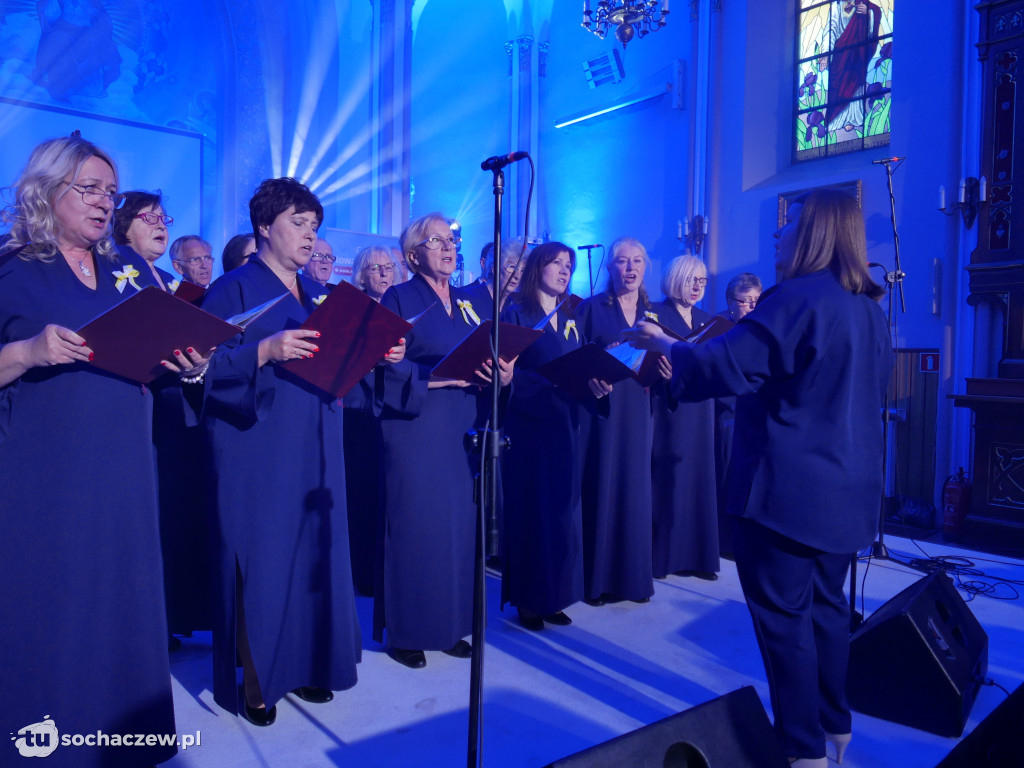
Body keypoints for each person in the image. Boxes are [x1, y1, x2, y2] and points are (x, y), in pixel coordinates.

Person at [624, 189, 891, 767]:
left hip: (786, 494)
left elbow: (723, 365)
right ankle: (834, 728)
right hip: (848, 493)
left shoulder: (795, 299)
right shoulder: (869, 307)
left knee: (785, 625)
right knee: (828, 613)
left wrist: (661, 342)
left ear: (815, 233)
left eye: (789, 223)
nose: (778, 233)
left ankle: (801, 751)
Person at [0, 134, 203, 767]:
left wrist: (190, 367)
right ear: (47, 190)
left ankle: (123, 740)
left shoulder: (132, 269)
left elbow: (158, 354)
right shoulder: (11, 268)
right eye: (89, 188)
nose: (103, 202)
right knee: (53, 606)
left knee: (122, 598)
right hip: (46, 473)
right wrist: (29, 352)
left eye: (110, 192)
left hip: (124, 468)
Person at [198, 178, 377, 726]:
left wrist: (375, 351)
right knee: (266, 561)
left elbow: (345, 370)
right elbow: (199, 369)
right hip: (258, 448)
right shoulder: (232, 289)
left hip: (317, 444)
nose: (308, 235)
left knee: (309, 558)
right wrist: (264, 351)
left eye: (314, 227)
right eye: (298, 223)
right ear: (263, 228)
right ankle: (259, 680)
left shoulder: (319, 296)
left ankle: (306, 665)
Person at [374, 212, 512, 669]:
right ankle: (408, 632)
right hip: (416, 427)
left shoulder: (469, 303)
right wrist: (441, 379)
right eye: (437, 241)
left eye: (453, 239)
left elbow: (485, 358)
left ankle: (449, 624)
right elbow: (384, 367)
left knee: (456, 529)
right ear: (414, 254)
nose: (450, 248)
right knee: (417, 527)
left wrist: (503, 374)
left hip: (460, 427)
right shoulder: (397, 298)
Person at [113, 191, 214, 643]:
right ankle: (146, 625)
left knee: (175, 516)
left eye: (163, 217)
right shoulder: (113, 268)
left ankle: (172, 618)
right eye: (148, 217)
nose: (160, 224)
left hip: (175, 413)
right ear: (122, 224)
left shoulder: (172, 282)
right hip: (136, 413)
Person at [499, 242, 584, 630]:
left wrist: (593, 381)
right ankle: (530, 600)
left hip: (563, 425)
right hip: (530, 428)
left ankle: (554, 595)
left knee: (560, 513)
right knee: (532, 512)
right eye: (557, 263)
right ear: (538, 267)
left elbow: (576, 362)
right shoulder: (517, 313)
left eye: (569, 265)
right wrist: (552, 382)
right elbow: (508, 374)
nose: (565, 271)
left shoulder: (568, 317)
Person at [576, 236, 655, 605]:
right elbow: (574, 358)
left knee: (634, 489)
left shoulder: (654, 314)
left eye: (637, 261)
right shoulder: (592, 308)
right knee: (603, 485)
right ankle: (598, 580)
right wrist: (590, 372)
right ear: (610, 268)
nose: (630, 268)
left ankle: (632, 579)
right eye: (623, 261)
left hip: (638, 411)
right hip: (603, 410)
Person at [650, 256, 719, 581]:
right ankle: (664, 557)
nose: (697, 287)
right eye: (691, 279)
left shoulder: (708, 320)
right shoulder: (656, 315)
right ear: (675, 278)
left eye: (702, 281)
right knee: (668, 480)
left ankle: (699, 555)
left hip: (701, 408)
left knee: (699, 478)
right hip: (667, 407)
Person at [343, 244, 401, 595]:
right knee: (363, 491)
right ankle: (363, 572)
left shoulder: (400, 306)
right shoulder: (352, 308)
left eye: (388, 267)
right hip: (358, 409)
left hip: (392, 409)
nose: (382, 273)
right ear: (361, 274)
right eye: (374, 268)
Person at [112, 190, 174, 289]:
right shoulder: (111, 273)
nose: (161, 226)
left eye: (163, 219)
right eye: (150, 217)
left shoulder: (170, 280)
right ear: (124, 224)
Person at [461, 237, 528, 321]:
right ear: (494, 269)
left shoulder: (516, 306)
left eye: (522, 270)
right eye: (512, 267)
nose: (517, 276)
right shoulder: (468, 298)